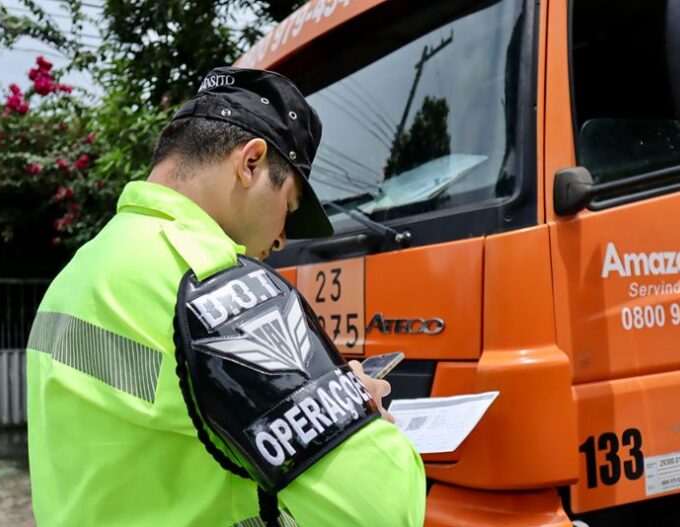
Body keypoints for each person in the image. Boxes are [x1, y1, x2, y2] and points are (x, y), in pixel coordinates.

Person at [26, 67, 425, 526]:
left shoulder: (78, 271)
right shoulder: (210, 283)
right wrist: (355, 407)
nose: (281, 238)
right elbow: (384, 511)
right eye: (289, 206)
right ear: (250, 163)